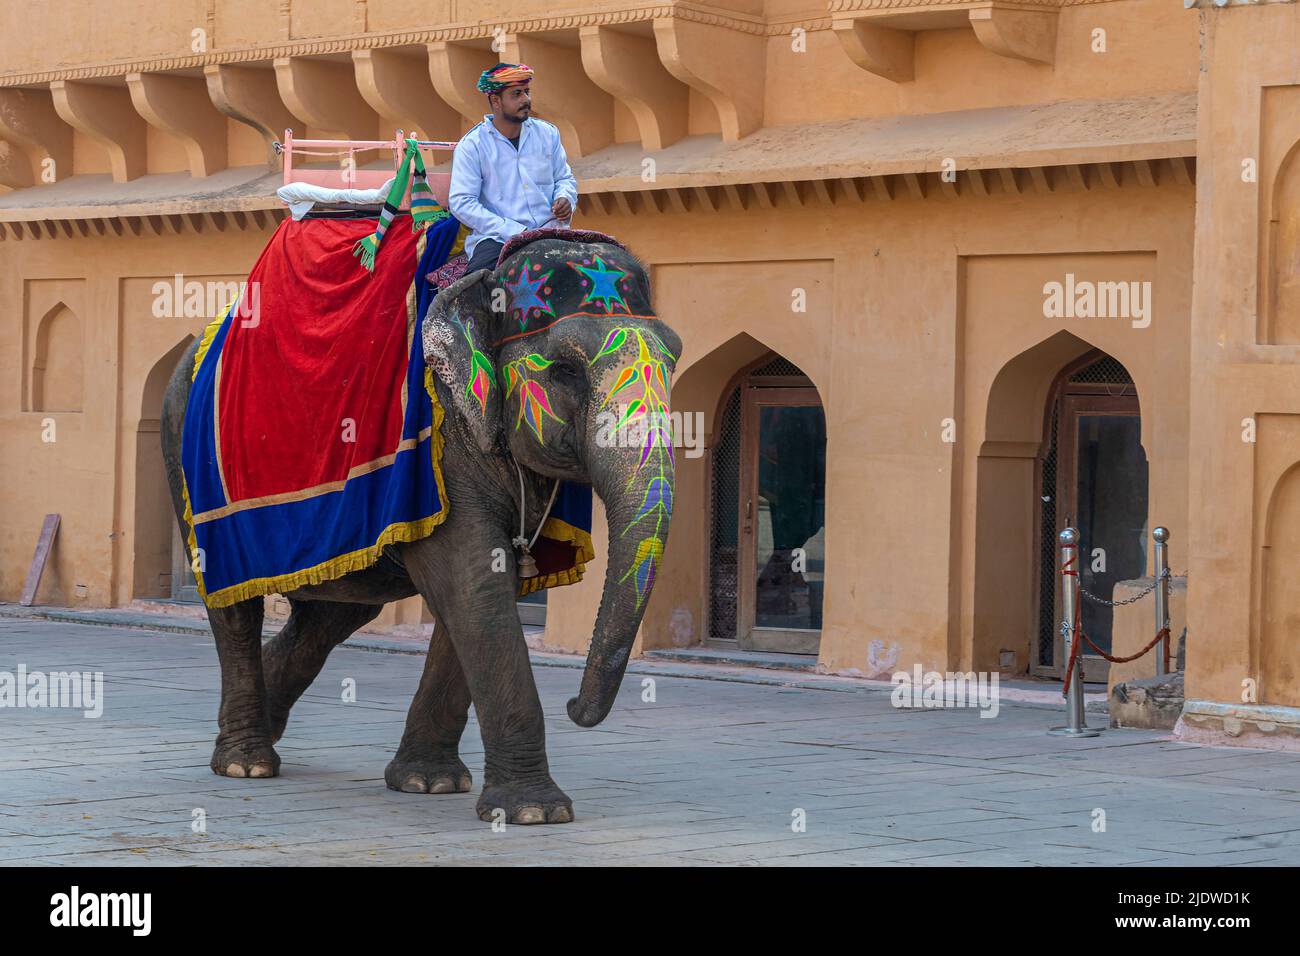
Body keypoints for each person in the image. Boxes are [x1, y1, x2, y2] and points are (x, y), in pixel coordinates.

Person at [448, 62, 578, 274]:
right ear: (495, 101)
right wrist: (512, 230)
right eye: (516, 94)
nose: (526, 99)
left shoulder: (548, 134)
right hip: (498, 239)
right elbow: (462, 202)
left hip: (553, 233)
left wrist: (566, 198)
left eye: (527, 92)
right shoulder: (472, 146)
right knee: (476, 290)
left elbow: (564, 178)